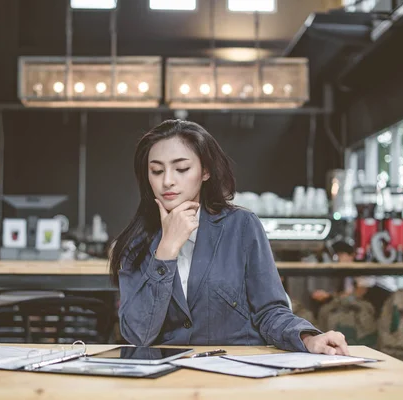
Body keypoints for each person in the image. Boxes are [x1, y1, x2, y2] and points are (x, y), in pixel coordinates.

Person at [109, 119, 349, 355]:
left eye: (182, 169)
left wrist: (308, 339)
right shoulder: (135, 243)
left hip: (235, 372)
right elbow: (138, 334)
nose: (167, 180)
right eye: (156, 170)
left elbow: (269, 310)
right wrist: (167, 250)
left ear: (205, 171)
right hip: (168, 380)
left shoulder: (241, 226)